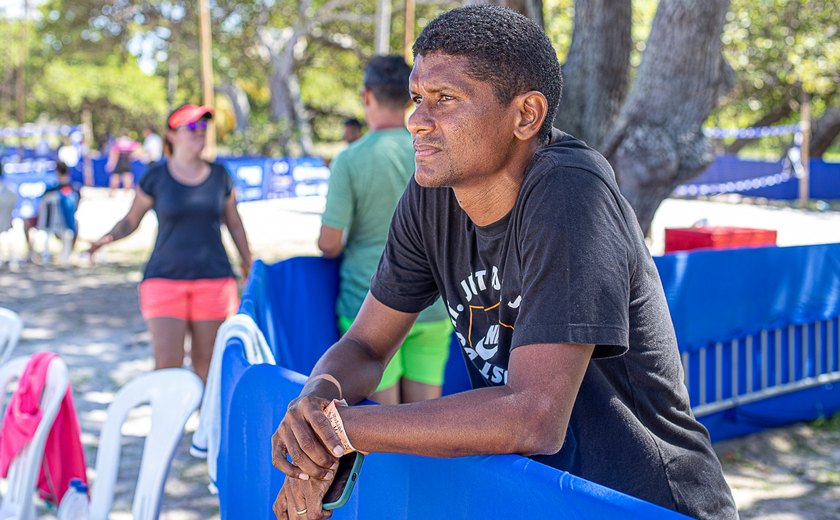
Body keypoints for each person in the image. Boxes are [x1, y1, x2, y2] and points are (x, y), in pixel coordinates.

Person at [270, 6, 737, 520]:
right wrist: (317, 400)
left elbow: (533, 415)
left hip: (641, 502)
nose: (418, 121)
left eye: (445, 99)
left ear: (526, 115)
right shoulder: (433, 193)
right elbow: (365, 344)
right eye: (418, 98)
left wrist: (344, 432)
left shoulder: (570, 191)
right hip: (539, 497)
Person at [319, 56, 452, 405]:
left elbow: (329, 243)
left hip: (370, 308)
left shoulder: (350, 159)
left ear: (367, 96)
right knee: (426, 425)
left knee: (383, 426)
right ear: (411, 98)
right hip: (435, 304)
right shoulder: (436, 152)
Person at [89, 104, 253, 383]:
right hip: (164, 280)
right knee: (168, 368)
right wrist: (105, 239)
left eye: (203, 127)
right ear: (171, 135)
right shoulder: (156, 176)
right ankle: (168, 427)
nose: (199, 133)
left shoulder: (220, 176)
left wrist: (248, 263)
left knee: (208, 367)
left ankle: (206, 428)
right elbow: (131, 221)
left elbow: (234, 224)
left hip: (214, 280)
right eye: (191, 127)